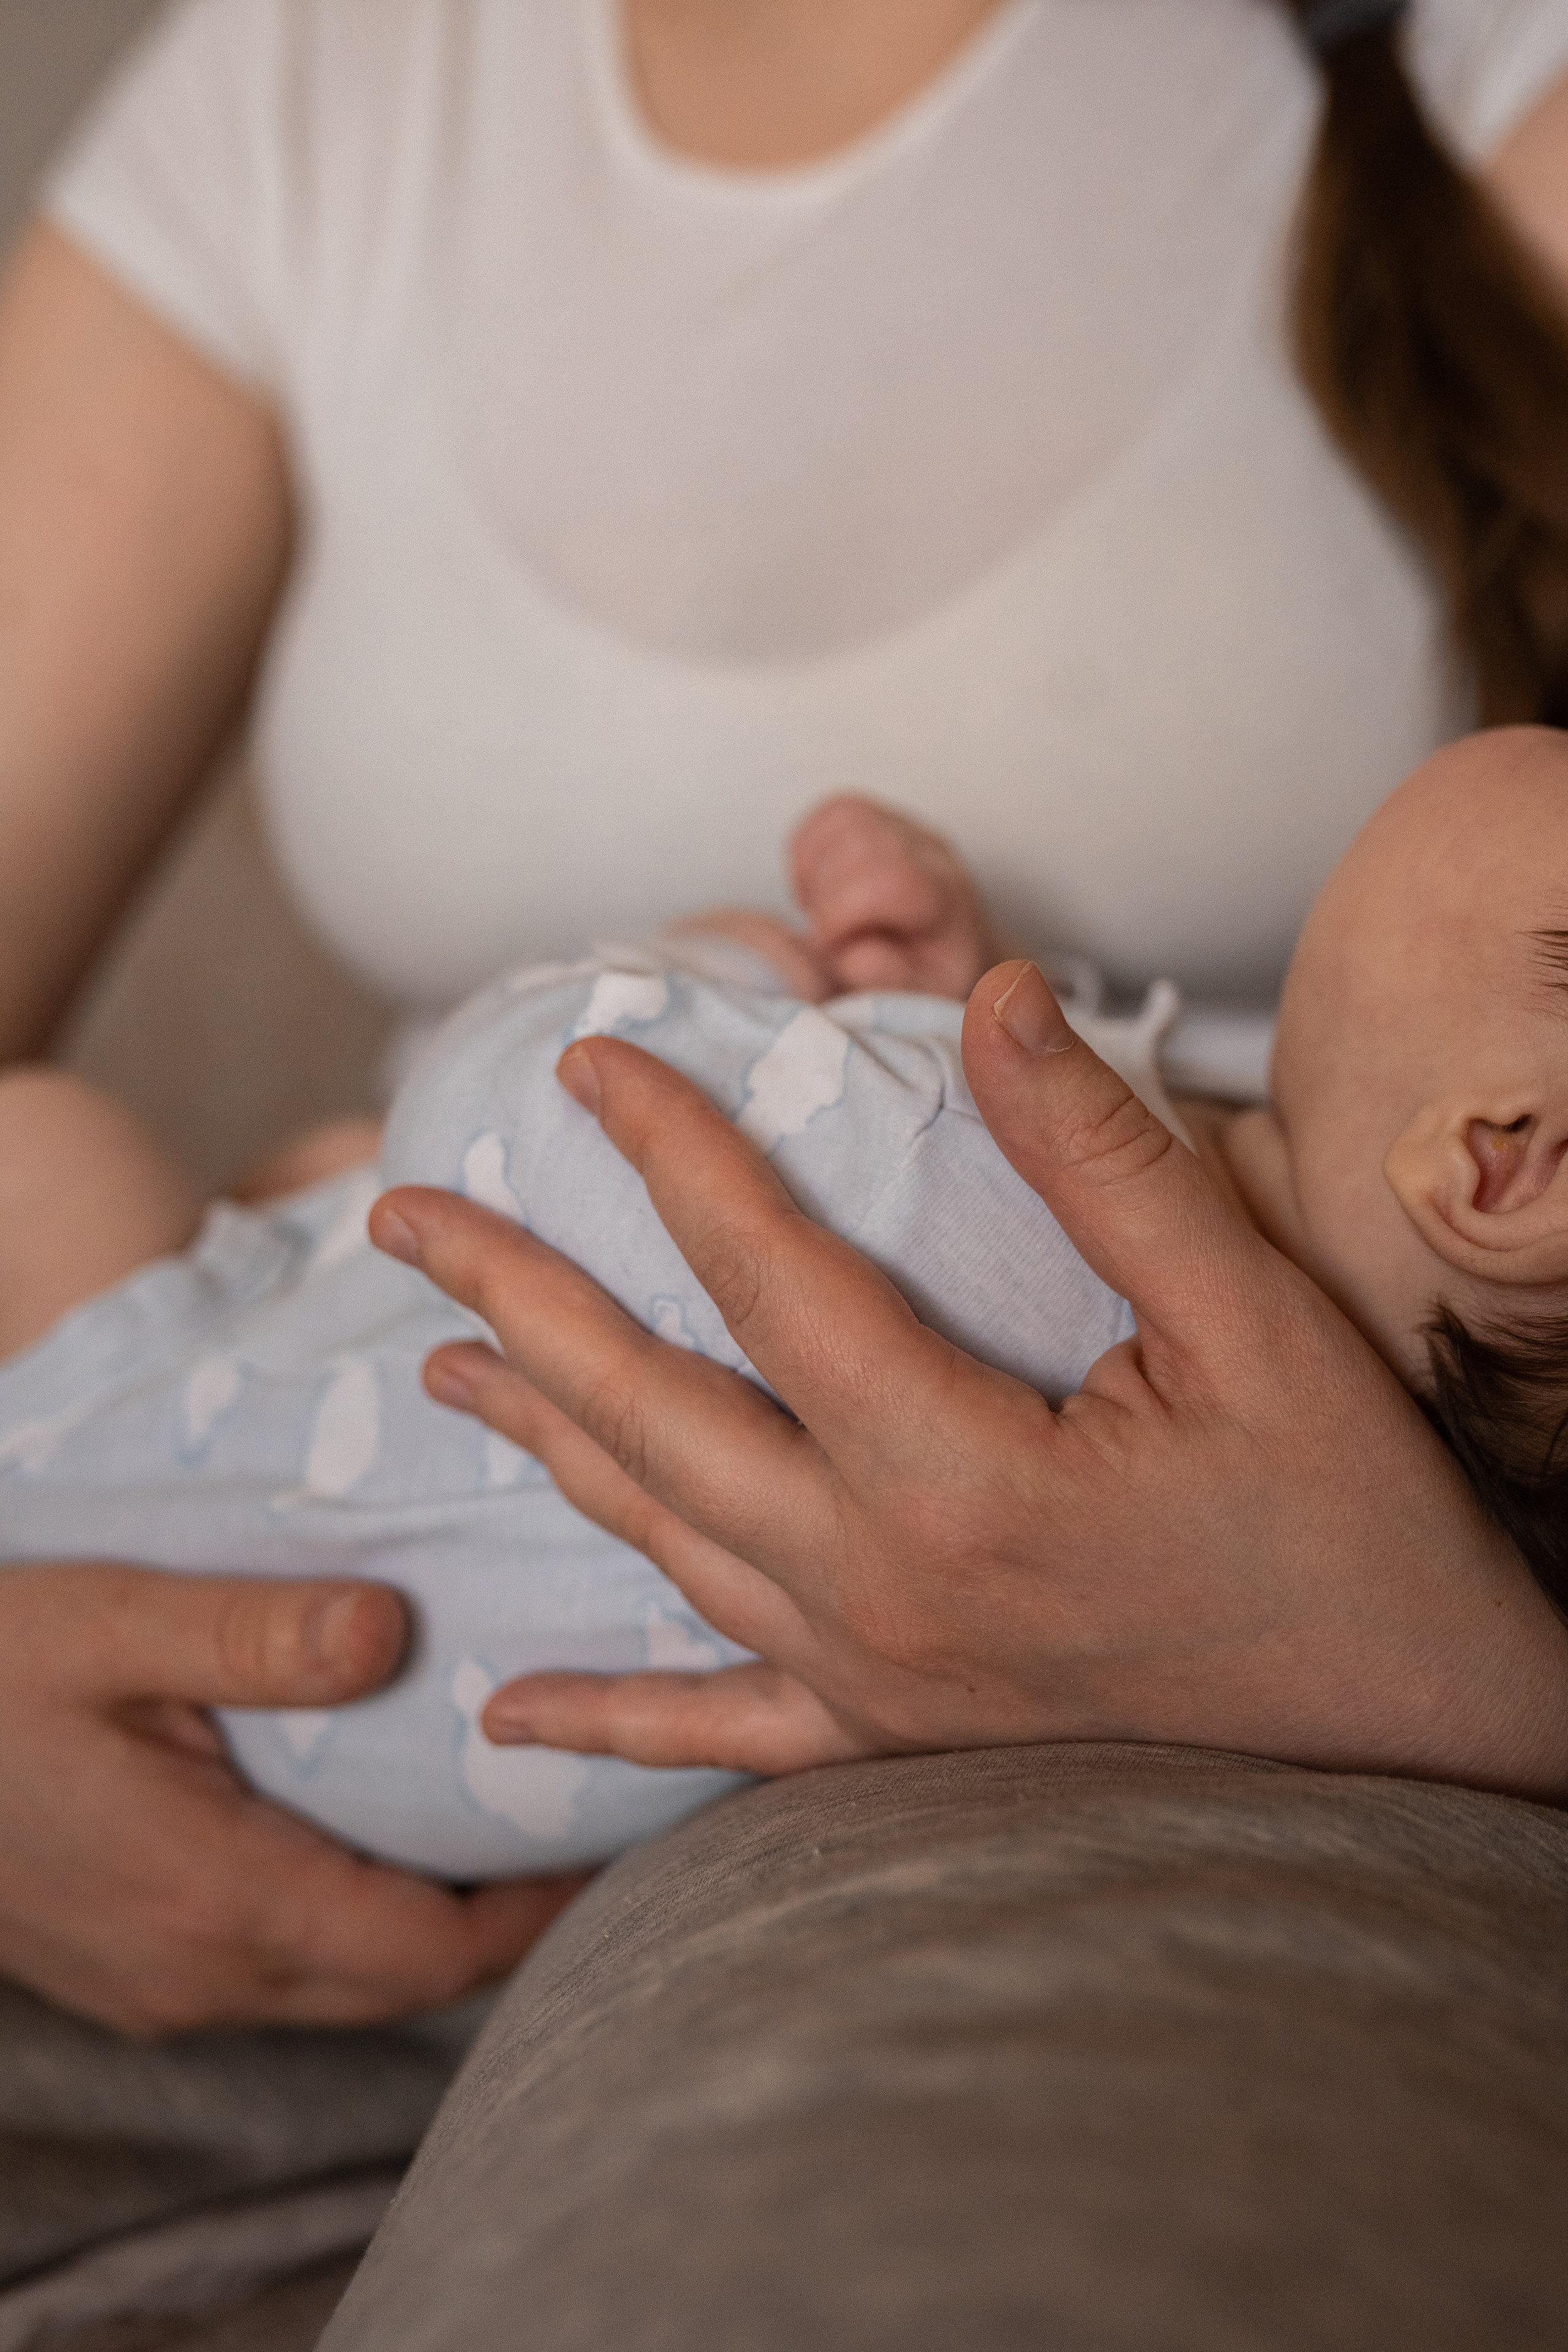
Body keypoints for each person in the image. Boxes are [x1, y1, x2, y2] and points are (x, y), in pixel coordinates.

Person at [5, 0, 1568, 2339]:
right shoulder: (329, 80)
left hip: (1006, 1806)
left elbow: (570, 1100)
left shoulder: (1486, 58)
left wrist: (1473, 1674)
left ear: (1505, 1156)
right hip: (299, 1559)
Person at [6, 738, 1568, 1881]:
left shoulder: (930, 1182)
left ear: (1503, 1164)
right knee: (302, 1181)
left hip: (139, 1474)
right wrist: (926, 1016)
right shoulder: (1241, 1513)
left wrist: (740, 970)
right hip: (375, 1776)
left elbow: (496, 1103)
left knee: (49, 1155)